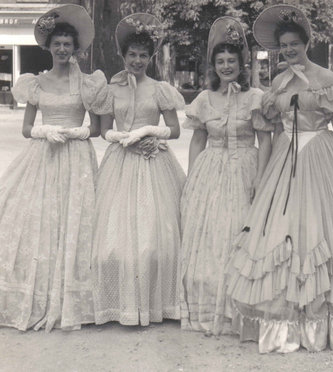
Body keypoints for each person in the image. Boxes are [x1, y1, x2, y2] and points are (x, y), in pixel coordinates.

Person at [226, 4, 333, 353]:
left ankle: (329, 317)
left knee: (323, 232)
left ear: (306, 43)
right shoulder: (277, 81)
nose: (289, 50)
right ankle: (282, 318)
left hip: (320, 157)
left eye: (294, 44)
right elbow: (272, 132)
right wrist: (264, 177)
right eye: (284, 45)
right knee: (279, 232)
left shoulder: (326, 79)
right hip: (284, 160)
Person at [0, 4, 110, 332]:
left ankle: (76, 299)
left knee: (77, 220)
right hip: (44, 155)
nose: (62, 49)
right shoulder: (35, 83)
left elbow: (94, 128)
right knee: (40, 219)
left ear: (75, 49)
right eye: (57, 44)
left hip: (76, 155)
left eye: (68, 44)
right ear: (48, 48)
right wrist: (45, 131)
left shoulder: (88, 84)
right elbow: (25, 128)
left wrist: (75, 132)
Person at [180, 17, 274, 336]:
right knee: (210, 235)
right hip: (212, 169)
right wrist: (192, 178)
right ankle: (210, 307)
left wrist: (260, 177)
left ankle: (239, 308)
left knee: (239, 231)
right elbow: (197, 140)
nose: (226, 66)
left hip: (246, 165)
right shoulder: (205, 99)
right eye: (220, 62)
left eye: (231, 61)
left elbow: (265, 141)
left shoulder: (255, 98)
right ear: (214, 66)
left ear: (241, 64)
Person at [91, 13, 186, 326]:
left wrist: (147, 133)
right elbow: (104, 130)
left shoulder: (160, 89)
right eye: (132, 54)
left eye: (143, 55)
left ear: (151, 57)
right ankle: (120, 301)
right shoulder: (112, 89)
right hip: (121, 161)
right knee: (115, 236)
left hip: (154, 159)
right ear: (123, 55)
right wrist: (123, 138)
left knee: (158, 235)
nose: (137, 60)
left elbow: (174, 130)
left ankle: (157, 301)